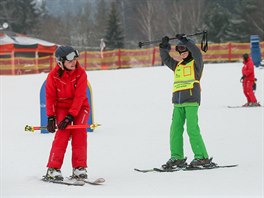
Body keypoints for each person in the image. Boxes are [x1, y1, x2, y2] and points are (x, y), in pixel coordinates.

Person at [159, 34, 212, 169]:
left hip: (191, 101)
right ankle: (177, 157)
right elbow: (166, 59)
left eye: (184, 50)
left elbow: (196, 52)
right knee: (175, 129)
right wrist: (164, 48)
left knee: (192, 129)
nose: (182, 53)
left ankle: (202, 157)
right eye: (180, 51)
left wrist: (186, 41)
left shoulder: (196, 64)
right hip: (178, 103)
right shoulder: (177, 66)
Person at [44, 46, 90, 181]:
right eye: (70, 60)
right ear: (60, 62)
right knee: (62, 134)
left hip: (80, 107)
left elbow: (80, 97)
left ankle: (79, 167)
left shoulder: (81, 73)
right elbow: (50, 97)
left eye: (75, 59)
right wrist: (51, 117)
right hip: (62, 107)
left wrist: (71, 115)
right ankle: (53, 168)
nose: (74, 62)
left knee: (79, 133)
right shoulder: (52, 76)